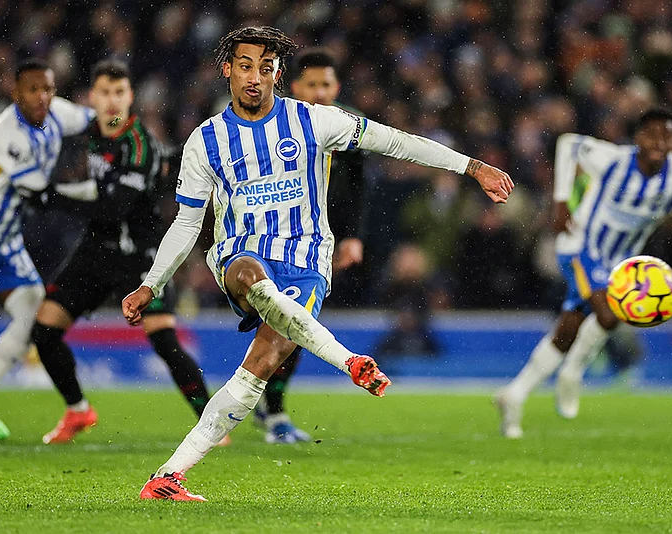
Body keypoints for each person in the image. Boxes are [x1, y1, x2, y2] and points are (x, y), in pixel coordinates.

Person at [122, 26, 513, 501]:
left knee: (259, 368)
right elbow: (186, 223)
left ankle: (168, 476)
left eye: (265, 69)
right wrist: (152, 283)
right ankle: (348, 360)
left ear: (278, 74)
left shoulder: (314, 121)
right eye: (245, 66)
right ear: (227, 70)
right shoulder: (206, 142)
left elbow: (396, 141)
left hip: (308, 261)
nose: (254, 78)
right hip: (240, 254)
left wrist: (472, 167)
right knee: (250, 275)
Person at [494, 108, 672, 439]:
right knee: (611, 311)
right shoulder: (614, 160)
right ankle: (572, 374)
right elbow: (567, 144)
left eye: (667, 135)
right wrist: (561, 201)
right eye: (652, 134)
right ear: (638, 137)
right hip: (579, 245)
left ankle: (515, 394)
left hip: (621, 262)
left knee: (570, 328)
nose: (659, 142)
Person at [31, 59, 217, 445]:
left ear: (131, 96)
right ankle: (79, 411)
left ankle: (211, 424)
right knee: (45, 331)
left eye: (119, 93)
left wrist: (54, 196)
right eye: (105, 93)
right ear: (92, 98)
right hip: (95, 252)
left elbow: (113, 207)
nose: (112, 101)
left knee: (164, 341)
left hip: (137, 258)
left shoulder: (139, 145)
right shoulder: (90, 131)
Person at [251, 49, 368, 444]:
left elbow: (358, 189)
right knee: (287, 327)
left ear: (336, 88)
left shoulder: (347, 128)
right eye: (311, 85)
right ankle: (266, 406)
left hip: (316, 244)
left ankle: (270, 409)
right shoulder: (271, 122)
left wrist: (351, 236)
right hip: (271, 239)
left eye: (326, 85)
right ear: (295, 86)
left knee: (292, 327)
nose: (319, 92)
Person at [0, 60, 94, 439]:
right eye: (32, 90)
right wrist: (95, 194)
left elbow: (96, 120)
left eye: (48, 89)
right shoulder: (7, 135)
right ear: (15, 92)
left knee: (30, 304)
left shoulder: (57, 112)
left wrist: (124, 131)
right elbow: (42, 194)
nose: (42, 97)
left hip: (4, 240)